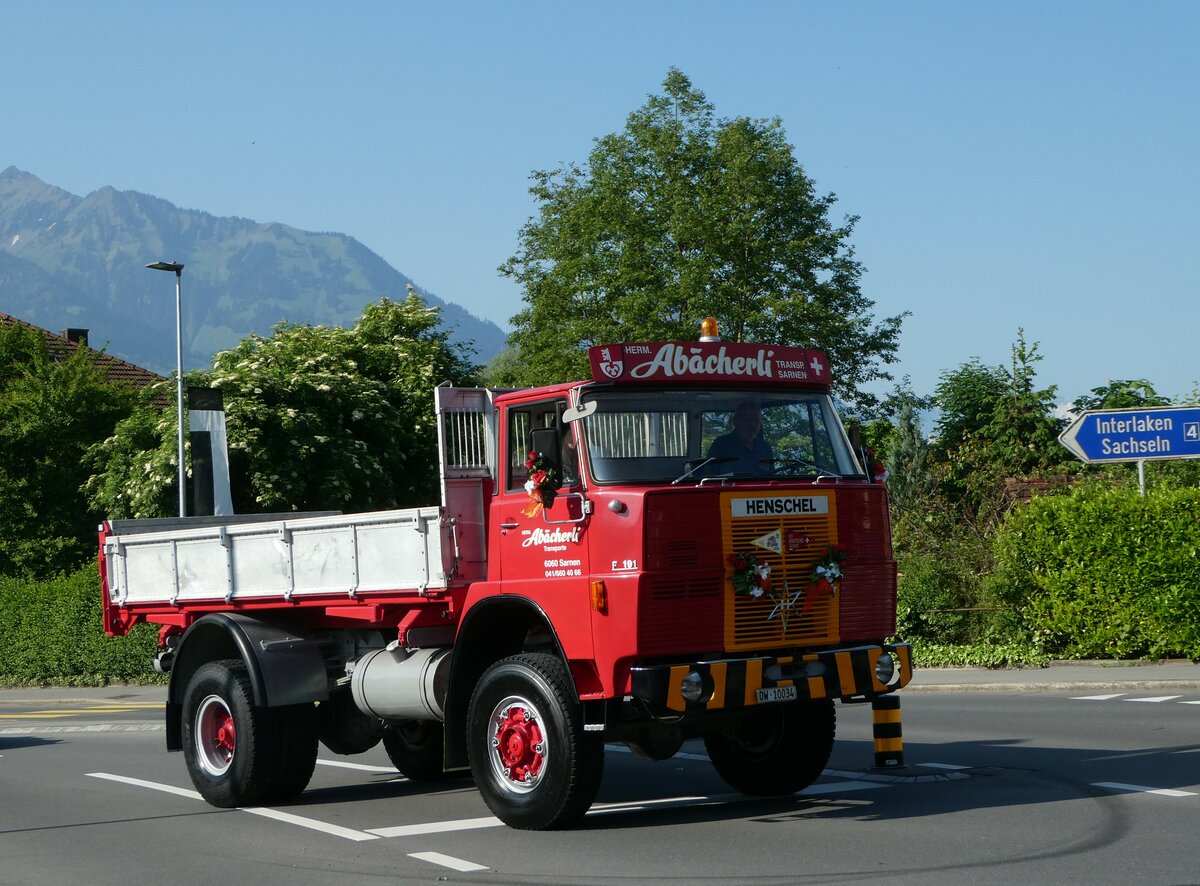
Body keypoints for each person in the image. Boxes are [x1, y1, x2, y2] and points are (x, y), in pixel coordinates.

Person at [706, 401, 773, 474]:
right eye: (747, 420)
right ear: (735, 421)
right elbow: (710, 477)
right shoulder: (721, 445)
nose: (751, 424)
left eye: (755, 420)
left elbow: (772, 476)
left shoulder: (765, 447)